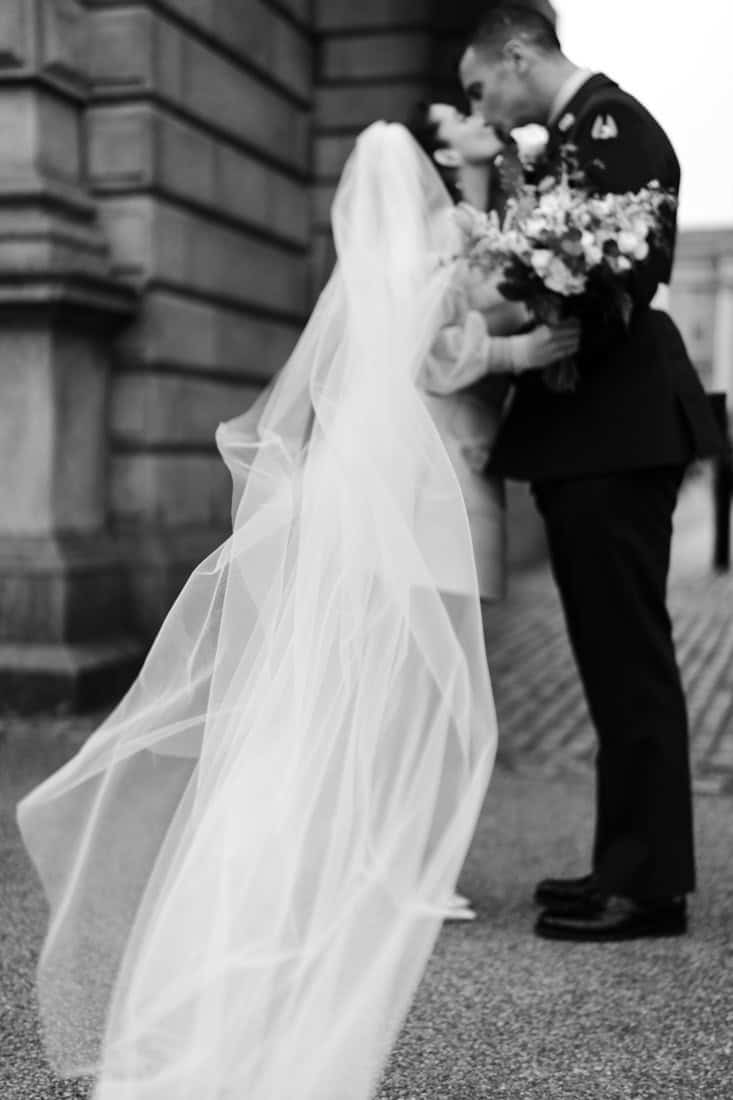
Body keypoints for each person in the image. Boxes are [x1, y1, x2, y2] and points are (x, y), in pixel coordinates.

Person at [459, 3, 725, 941]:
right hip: (590, 435)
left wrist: (542, 280)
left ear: (518, 54)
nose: (478, 104)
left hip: (617, 431)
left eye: (478, 83)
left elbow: (635, 261)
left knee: (630, 660)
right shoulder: (561, 139)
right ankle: (623, 861)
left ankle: (647, 887)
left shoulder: (611, 122)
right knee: (606, 662)